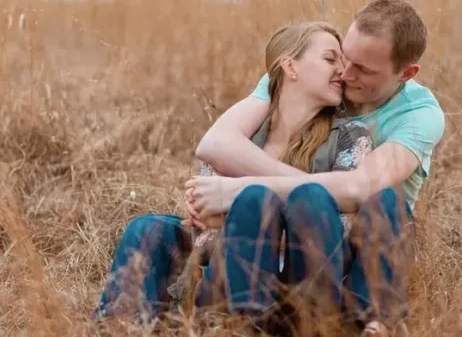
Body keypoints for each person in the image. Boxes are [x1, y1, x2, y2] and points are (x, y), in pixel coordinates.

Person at [92, 21, 374, 335]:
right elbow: (205, 231)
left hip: (298, 284)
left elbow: (339, 228)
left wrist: (246, 205)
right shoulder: (246, 133)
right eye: (330, 58)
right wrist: (218, 218)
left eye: (343, 62)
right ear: (290, 66)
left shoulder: (349, 138)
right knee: (148, 228)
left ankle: (240, 328)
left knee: (256, 200)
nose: (342, 71)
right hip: (226, 271)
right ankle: (120, 328)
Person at [188, 0, 446, 336]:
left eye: (364, 70)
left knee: (386, 203)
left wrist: (237, 189)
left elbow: (360, 188)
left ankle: (368, 321)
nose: (345, 73)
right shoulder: (309, 74)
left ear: (406, 73)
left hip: (366, 248)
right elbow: (216, 143)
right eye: (344, 56)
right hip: (289, 230)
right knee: (153, 228)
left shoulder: (419, 115)